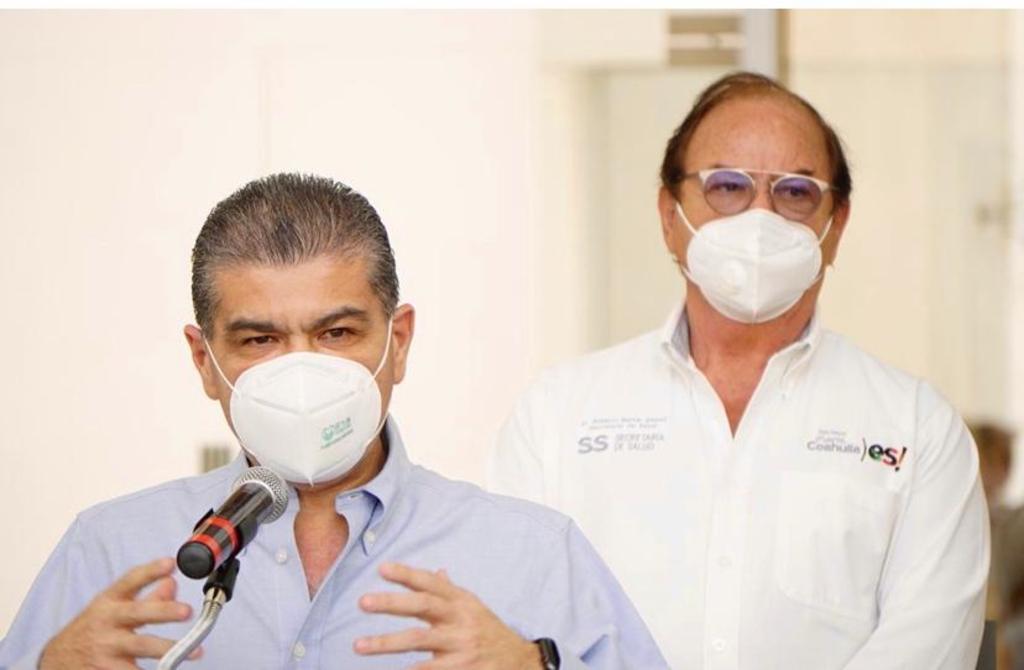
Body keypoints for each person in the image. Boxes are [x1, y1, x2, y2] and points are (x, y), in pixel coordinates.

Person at [0, 174, 668, 669]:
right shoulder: (110, 552)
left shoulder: (531, 552)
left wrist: (535, 666)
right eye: (260, 340)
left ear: (397, 342)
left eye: (337, 333)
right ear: (205, 361)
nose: (302, 375)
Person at [489, 71, 990, 669]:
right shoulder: (555, 417)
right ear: (669, 214)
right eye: (727, 186)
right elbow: (510, 635)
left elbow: (928, 650)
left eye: (796, 192)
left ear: (836, 227)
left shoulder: (918, 428)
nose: (760, 220)